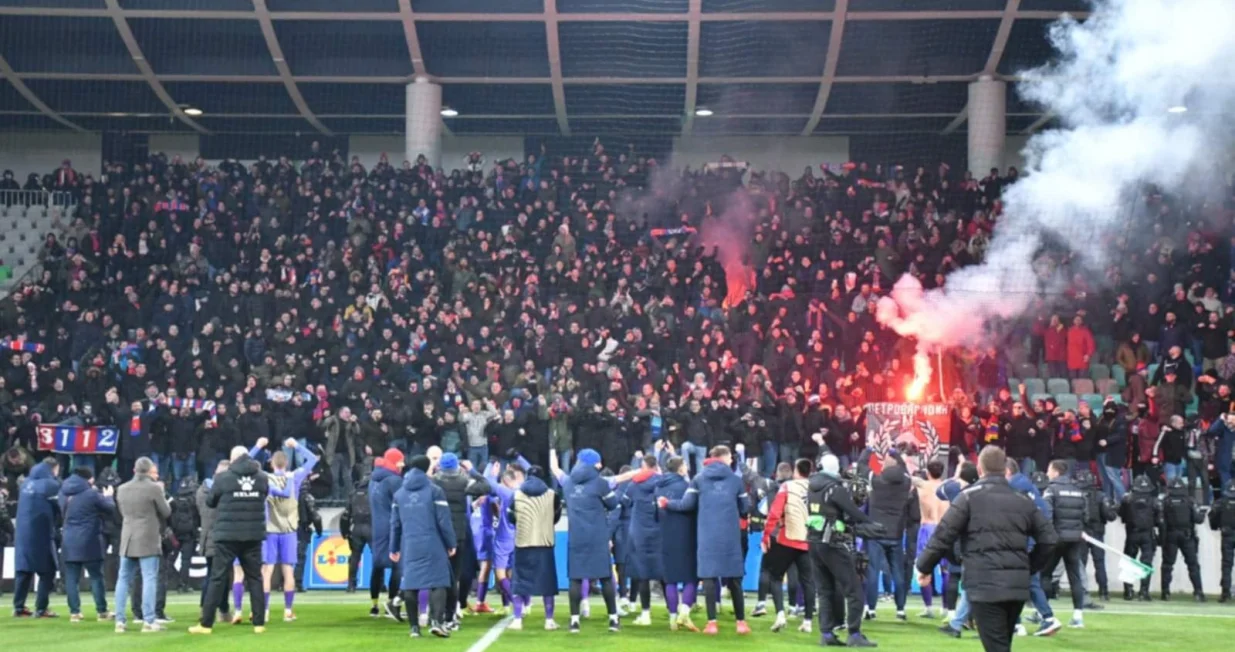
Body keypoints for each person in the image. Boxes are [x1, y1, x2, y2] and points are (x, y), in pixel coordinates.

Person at [916, 446, 1058, 652]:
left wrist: (924, 567)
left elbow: (943, 535)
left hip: (983, 584)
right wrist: (1029, 566)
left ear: (980, 470)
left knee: (996, 646)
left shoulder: (967, 498)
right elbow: (1049, 539)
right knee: (1002, 644)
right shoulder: (1023, 500)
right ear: (1005, 469)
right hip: (1016, 585)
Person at [661, 445, 752, 636]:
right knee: (735, 578)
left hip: (707, 534)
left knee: (709, 577)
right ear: (724, 458)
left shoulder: (698, 479)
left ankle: (712, 624)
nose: (731, 461)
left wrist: (667, 503)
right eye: (730, 458)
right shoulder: (736, 480)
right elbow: (745, 507)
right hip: (730, 535)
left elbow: (686, 505)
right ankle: (741, 623)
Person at [189, 445, 270, 634]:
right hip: (252, 535)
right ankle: (259, 624)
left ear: (232, 459)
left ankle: (206, 624)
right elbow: (264, 495)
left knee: (217, 578)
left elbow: (210, 502)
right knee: (255, 578)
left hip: (227, 536)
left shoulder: (223, 478)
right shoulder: (262, 477)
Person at [806, 452, 882, 647]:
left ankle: (826, 634)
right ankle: (854, 634)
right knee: (854, 589)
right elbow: (853, 512)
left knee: (825, 590)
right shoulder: (835, 488)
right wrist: (871, 524)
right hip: (832, 542)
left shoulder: (811, 486)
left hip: (813, 541)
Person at [555, 447, 622, 633]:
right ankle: (613, 619)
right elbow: (613, 504)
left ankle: (574, 621)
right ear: (593, 464)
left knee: (575, 579)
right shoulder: (600, 483)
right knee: (606, 577)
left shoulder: (568, 483)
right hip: (598, 536)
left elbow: (558, 473)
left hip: (576, 536)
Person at [252, 437, 318, 622]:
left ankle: (264, 611)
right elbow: (313, 459)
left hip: (270, 530)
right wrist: (296, 446)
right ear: (287, 463)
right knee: (288, 570)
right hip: (289, 531)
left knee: (267, 571)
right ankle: (288, 611)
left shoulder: (265, 478)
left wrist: (258, 446)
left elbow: (245, 462)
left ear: (271, 463)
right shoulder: (294, 477)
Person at [391, 455, 457, 638]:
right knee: (438, 582)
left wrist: (393, 548)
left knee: (411, 584)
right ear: (427, 468)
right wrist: (451, 542)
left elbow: (395, 524)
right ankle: (436, 622)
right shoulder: (435, 491)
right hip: (432, 542)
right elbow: (444, 521)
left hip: (409, 543)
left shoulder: (399, 494)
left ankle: (414, 628)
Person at [114, 456, 172, 633]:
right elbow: (166, 512)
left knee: (123, 579)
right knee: (149, 578)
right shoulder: (154, 488)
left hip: (127, 537)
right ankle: (149, 621)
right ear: (149, 471)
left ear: (135, 470)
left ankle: (120, 621)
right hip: (147, 537)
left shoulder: (122, 489)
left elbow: (122, 512)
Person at [431, 452, 491, 622]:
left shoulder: (434, 482)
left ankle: (433, 614)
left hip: (438, 533)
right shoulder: (463, 481)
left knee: (436, 576)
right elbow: (485, 486)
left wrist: (431, 468)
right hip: (458, 533)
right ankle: (451, 614)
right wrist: (472, 470)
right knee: (454, 576)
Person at [761, 457, 816, 633]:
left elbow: (774, 513)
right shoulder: (816, 488)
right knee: (808, 581)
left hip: (788, 538)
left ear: (796, 471)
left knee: (775, 576)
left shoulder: (787, 486)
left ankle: (780, 615)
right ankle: (807, 621)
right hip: (808, 541)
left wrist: (766, 536)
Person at [507, 464, 562, 631]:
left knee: (519, 583)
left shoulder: (516, 494)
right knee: (547, 585)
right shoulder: (553, 495)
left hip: (523, 543)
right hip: (544, 544)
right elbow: (556, 517)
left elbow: (510, 517)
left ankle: (517, 620)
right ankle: (549, 620)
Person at [58, 466, 115, 622]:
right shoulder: (91, 494)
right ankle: (102, 611)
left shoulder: (63, 492)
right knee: (96, 576)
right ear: (89, 479)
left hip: (69, 539)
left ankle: (74, 612)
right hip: (90, 539)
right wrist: (108, 497)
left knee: (71, 578)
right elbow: (110, 509)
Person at [862, 451, 911, 621]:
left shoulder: (876, 480)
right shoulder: (906, 482)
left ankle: (871, 609)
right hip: (896, 533)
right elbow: (904, 468)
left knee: (873, 571)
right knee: (898, 572)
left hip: (876, 533)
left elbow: (861, 466)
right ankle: (901, 610)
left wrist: (869, 449)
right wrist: (895, 453)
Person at [1041, 459, 1090, 628]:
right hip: (1074, 538)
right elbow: (1086, 515)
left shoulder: (1051, 490)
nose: (1047, 473)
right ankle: (1078, 616)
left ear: (1056, 472)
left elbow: (1046, 516)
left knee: (1045, 575)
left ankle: (1043, 613)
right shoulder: (1078, 489)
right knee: (1074, 576)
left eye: (1049, 470)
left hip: (1056, 538)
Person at [12, 458, 61, 618]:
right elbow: (59, 508)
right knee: (47, 571)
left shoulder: (26, 483)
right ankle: (41, 608)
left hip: (22, 533)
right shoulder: (50, 485)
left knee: (24, 571)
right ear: (53, 469)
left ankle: (18, 607)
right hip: (41, 533)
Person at [656, 455, 700, 631]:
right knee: (691, 576)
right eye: (685, 465)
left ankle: (672, 618)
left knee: (670, 579)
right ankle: (685, 612)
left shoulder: (658, 487)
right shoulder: (688, 486)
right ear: (681, 468)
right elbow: (693, 508)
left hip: (665, 535)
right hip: (687, 535)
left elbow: (654, 512)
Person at [621, 454, 662, 627]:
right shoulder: (661, 482)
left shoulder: (634, 484)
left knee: (643, 574)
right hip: (659, 532)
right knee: (664, 573)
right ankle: (673, 613)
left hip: (639, 533)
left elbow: (624, 502)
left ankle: (645, 614)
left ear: (644, 466)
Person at [369, 449, 406, 620]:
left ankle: (374, 605)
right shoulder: (395, 481)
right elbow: (402, 503)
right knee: (398, 565)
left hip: (377, 526)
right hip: (393, 526)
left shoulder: (373, 480)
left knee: (377, 565)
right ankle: (392, 603)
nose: (402, 466)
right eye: (400, 462)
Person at [1074, 468, 1117, 603]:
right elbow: (1110, 516)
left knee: (1080, 563)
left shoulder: (1074, 495)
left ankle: (1080, 591)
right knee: (1099, 563)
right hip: (1097, 533)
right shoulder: (1100, 496)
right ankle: (1103, 592)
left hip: (1081, 534)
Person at [1159, 476, 1205, 601]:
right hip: (1187, 535)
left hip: (1170, 535)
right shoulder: (1190, 501)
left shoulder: (1165, 501)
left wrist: (1161, 538)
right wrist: (1202, 513)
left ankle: (1165, 592)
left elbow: (1160, 520)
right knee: (1193, 565)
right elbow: (1198, 519)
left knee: (1167, 565)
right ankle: (1198, 592)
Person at [912, 455, 947, 619]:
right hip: (944, 528)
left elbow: (905, 475)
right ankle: (947, 608)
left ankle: (928, 607)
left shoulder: (922, 485)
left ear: (927, 472)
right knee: (946, 570)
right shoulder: (948, 486)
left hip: (927, 528)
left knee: (924, 568)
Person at [197, 460, 231, 623]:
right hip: (220, 537)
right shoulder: (222, 491)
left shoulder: (201, 490)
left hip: (206, 538)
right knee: (219, 577)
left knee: (211, 575)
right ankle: (221, 610)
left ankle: (206, 608)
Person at [1119, 475, 1161, 601]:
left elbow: (1121, 515)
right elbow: (1159, 520)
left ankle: (1128, 591)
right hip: (1148, 534)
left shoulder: (1127, 499)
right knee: (1146, 564)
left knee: (1129, 562)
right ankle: (1144, 592)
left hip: (1132, 534)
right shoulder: (1154, 501)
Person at [340, 474, 371, 597]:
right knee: (377, 557)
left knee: (354, 557)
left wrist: (345, 532)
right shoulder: (375, 492)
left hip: (356, 527)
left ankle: (351, 585)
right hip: (372, 527)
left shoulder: (353, 493)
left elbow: (345, 515)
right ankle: (379, 584)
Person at [1207, 479, 1235, 602]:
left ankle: (1225, 592)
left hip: (1227, 535)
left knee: (1226, 565)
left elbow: (1212, 517)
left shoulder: (1221, 503)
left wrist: (1216, 527)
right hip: (1227, 534)